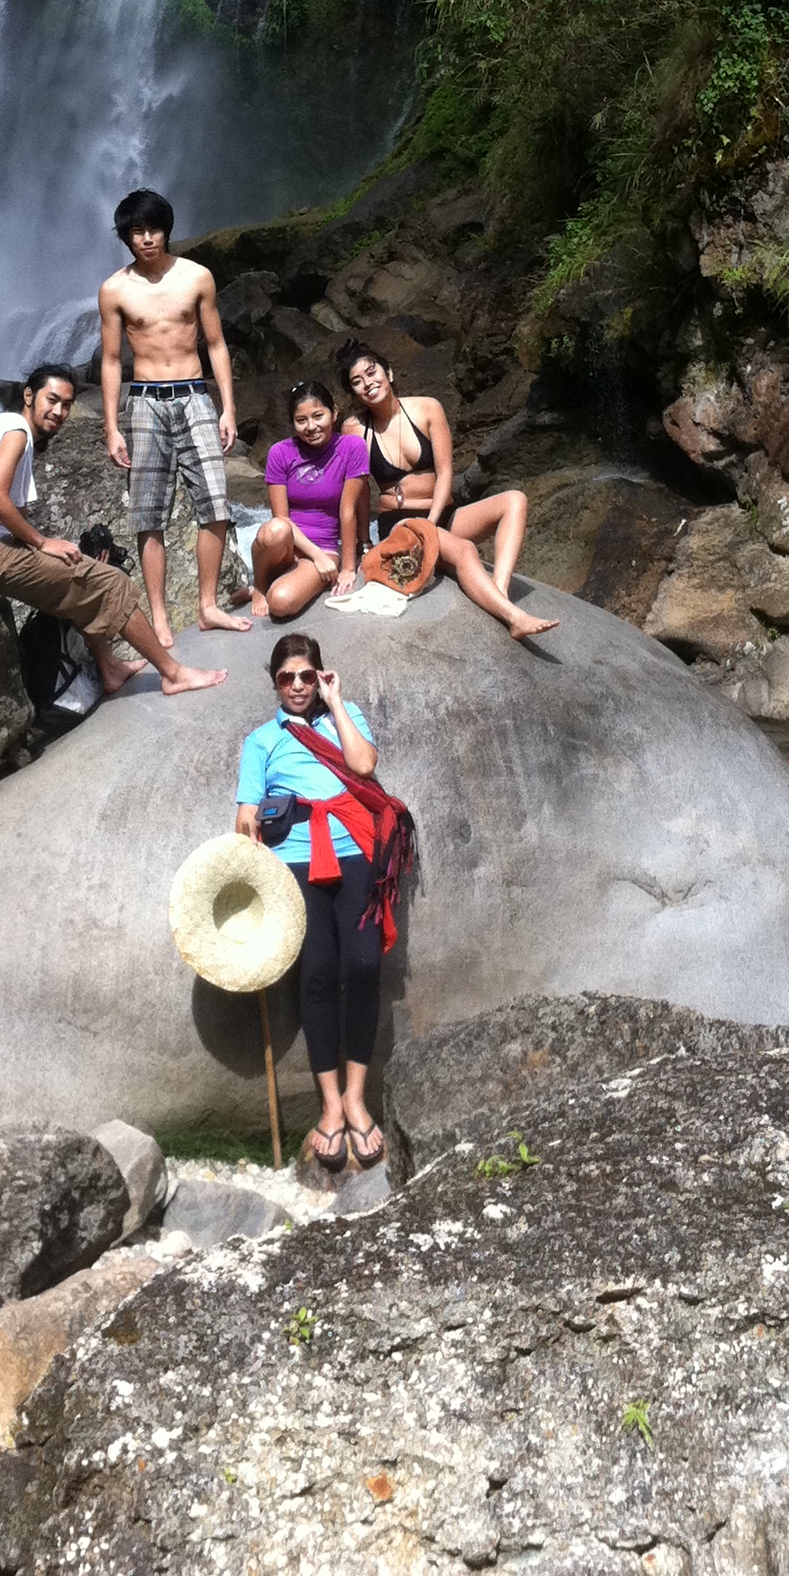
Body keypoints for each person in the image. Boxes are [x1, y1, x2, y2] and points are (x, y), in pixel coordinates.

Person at [235, 633, 415, 1172]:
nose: (297, 686)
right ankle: (332, 1107)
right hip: (293, 862)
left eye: (307, 676)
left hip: (354, 852)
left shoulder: (346, 713)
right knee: (316, 973)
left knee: (362, 966)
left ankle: (359, 1098)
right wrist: (248, 846)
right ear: (274, 682)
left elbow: (363, 766)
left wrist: (336, 703)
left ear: (320, 677)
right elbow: (246, 811)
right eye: (287, 677)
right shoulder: (261, 741)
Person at [0, 364, 223, 698]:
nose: (59, 412)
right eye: (52, 400)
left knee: (83, 567)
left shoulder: (2, 425)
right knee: (111, 583)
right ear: (28, 396)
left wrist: (47, 548)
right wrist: (41, 542)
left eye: (66, 405)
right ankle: (174, 673)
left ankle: (110, 667)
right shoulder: (17, 432)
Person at [97, 187, 251, 644]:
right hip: (143, 400)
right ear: (126, 237)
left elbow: (217, 344)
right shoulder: (114, 289)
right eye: (137, 231)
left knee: (216, 504)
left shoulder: (197, 277)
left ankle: (207, 607)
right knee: (149, 514)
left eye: (154, 229)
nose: (147, 239)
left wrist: (229, 408)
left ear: (167, 230)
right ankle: (160, 617)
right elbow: (110, 360)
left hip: (194, 394)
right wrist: (110, 428)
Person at [337, 340, 557, 644]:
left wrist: (433, 519)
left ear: (388, 372)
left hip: (442, 514)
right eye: (357, 382)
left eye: (372, 373)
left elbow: (445, 474)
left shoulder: (428, 408)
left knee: (515, 500)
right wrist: (362, 545)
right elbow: (358, 493)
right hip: (400, 523)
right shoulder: (353, 428)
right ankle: (514, 617)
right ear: (354, 394)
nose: (368, 384)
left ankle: (500, 593)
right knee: (466, 551)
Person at [253, 382, 367, 619]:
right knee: (275, 529)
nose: (311, 427)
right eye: (301, 420)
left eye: (318, 416)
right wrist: (316, 556)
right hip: (284, 546)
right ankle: (259, 587)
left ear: (333, 413)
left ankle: (285, 584)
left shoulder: (352, 447)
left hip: (325, 546)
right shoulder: (280, 452)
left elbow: (348, 511)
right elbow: (281, 518)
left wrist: (347, 568)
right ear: (293, 423)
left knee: (281, 602)